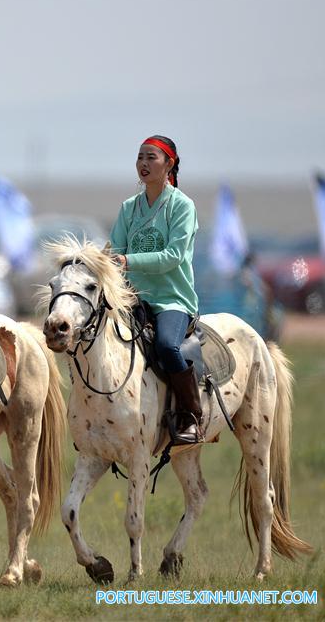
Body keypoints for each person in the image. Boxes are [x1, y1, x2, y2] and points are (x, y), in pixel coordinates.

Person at [110, 135, 202, 444]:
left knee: (166, 346)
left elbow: (173, 257)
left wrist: (126, 260)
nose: (143, 164)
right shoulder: (128, 208)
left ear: (169, 164)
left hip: (171, 300)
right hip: (133, 298)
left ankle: (191, 416)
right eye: (140, 157)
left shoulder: (182, 206)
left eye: (151, 157)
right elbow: (114, 252)